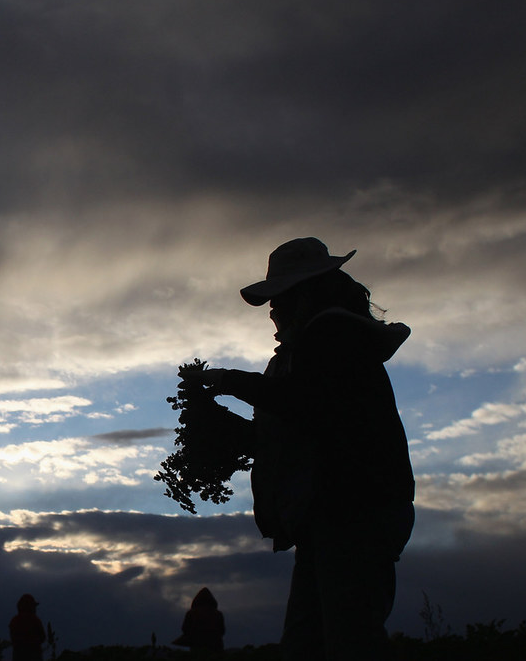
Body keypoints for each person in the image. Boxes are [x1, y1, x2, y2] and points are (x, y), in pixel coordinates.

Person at [182, 237, 415, 661]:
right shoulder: (311, 346)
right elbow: (293, 431)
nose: (273, 310)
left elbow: (306, 404)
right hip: (329, 516)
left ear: (306, 293)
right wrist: (222, 430)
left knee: (348, 643)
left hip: (354, 511)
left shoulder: (335, 335)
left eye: (280, 298)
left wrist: (231, 381)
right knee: (310, 644)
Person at [171, 586, 225, 657]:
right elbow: (222, 630)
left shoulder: (191, 613)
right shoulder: (218, 614)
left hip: (196, 644)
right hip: (215, 645)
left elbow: (185, 629)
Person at [9, 593, 46, 661]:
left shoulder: (14, 621)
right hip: (34, 656)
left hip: (18, 656)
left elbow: (13, 639)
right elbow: (43, 637)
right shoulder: (35, 620)